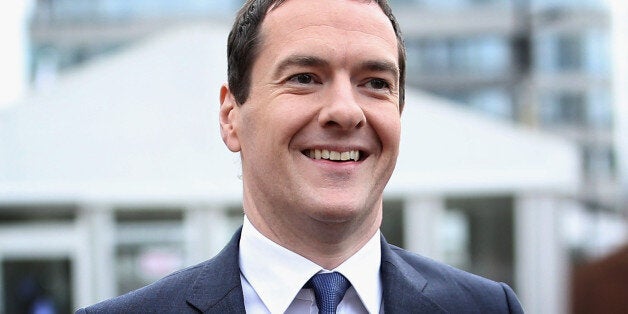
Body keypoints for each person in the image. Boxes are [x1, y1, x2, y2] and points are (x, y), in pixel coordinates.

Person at [77, 0, 524, 313]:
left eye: (375, 83)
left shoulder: (488, 308)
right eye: (306, 77)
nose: (346, 111)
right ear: (231, 117)